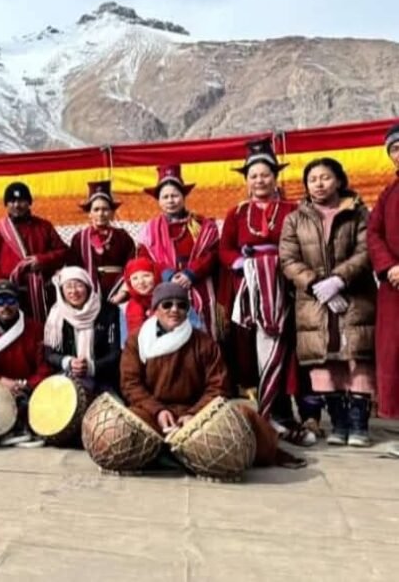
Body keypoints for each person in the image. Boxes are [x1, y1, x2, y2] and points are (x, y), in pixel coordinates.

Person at [120, 282, 305, 469]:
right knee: (124, 424)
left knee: (243, 415)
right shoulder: (137, 341)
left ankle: (268, 451)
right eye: (167, 304)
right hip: (153, 413)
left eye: (181, 305)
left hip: (198, 413)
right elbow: (130, 384)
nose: (174, 310)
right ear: (155, 309)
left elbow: (218, 385)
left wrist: (193, 414)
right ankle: (168, 454)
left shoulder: (204, 342)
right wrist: (158, 410)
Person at [218, 138, 316, 445]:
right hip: (252, 290)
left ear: (275, 177)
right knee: (258, 351)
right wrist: (240, 265)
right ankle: (272, 413)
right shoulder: (237, 213)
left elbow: (304, 245)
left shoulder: (293, 209)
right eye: (254, 175)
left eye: (265, 174)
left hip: (286, 286)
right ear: (246, 180)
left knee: (289, 350)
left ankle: (292, 412)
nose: (260, 180)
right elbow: (225, 249)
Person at [280, 158, 377, 447]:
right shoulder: (295, 218)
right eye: (313, 179)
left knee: (356, 358)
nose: (319, 184)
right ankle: (338, 423)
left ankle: (359, 425)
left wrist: (338, 281)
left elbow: (366, 251)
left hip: (354, 294)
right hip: (313, 300)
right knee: (324, 360)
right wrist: (315, 284)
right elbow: (287, 258)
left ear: (339, 180)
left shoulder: (358, 213)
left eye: (325, 177)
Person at [137, 164, 220, 337]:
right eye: (165, 197)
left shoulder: (202, 225)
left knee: (202, 334)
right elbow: (146, 260)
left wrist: (191, 274)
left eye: (175, 195)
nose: (170, 200)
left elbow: (211, 253)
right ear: (159, 200)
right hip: (166, 287)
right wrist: (168, 275)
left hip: (199, 285)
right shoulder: (150, 230)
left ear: (183, 196)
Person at [0, 181, 69, 321]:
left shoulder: (44, 226)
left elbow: (63, 252)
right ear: (6, 204)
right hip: (9, 296)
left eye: (21, 200)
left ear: (29, 202)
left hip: (41, 294)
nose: (17, 205)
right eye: (12, 201)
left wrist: (42, 261)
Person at [0, 279, 49, 442]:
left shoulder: (36, 329)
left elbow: (44, 367)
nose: (5, 306)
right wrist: (0, 381)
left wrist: (25, 385)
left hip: (27, 388)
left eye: (10, 300)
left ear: (18, 302)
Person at [368, 123, 399, 458]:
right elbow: (374, 233)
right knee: (395, 356)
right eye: (395, 149)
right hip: (394, 287)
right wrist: (390, 266)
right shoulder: (389, 193)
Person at [42, 266, 122, 395]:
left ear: (88, 287)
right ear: (62, 291)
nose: (73, 291)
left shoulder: (108, 311)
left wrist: (91, 367)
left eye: (79, 285)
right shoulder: (56, 316)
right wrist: (68, 362)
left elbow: (115, 353)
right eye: (68, 286)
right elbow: (49, 354)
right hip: (67, 377)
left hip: (102, 379)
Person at [67, 180, 136, 302]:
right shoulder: (79, 239)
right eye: (96, 209)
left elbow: (131, 266)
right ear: (89, 213)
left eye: (105, 209)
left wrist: (123, 292)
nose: (101, 214)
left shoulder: (122, 236)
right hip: (88, 293)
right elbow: (74, 269)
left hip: (118, 290)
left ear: (112, 213)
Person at [120, 258, 159, 346]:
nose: (141, 282)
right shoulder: (127, 307)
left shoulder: (168, 301)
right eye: (135, 278)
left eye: (146, 275)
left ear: (155, 276)